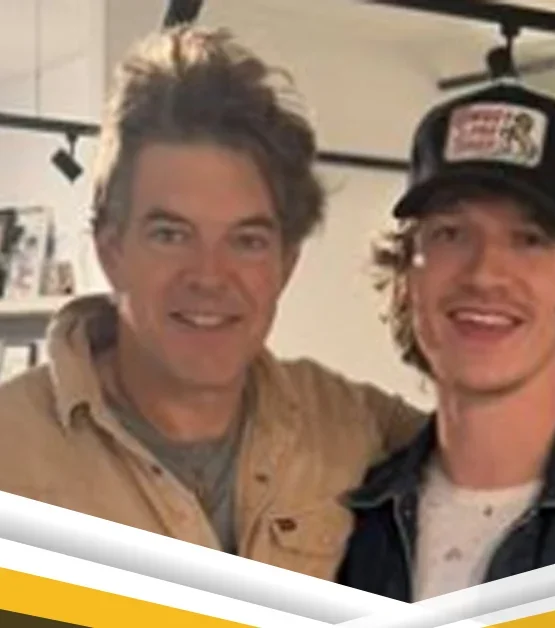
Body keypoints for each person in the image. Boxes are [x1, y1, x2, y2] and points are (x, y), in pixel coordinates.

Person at [0, 25, 426, 581]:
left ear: (286, 264)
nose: (208, 275)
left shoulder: (351, 424)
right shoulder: (12, 449)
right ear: (111, 249)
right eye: (171, 234)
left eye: (247, 241)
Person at [337, 80, 555, 601]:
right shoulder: (345, 522)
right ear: (408, 275)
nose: (484, 274)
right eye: (451, 233)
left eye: (529, 239)